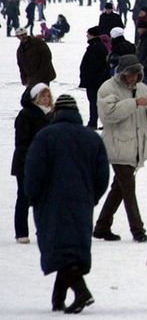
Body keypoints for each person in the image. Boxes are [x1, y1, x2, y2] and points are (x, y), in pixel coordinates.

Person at [24, 93, 109, 314]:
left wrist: (33, 196)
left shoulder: (45, 137)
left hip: (52, 202)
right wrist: (93, 197)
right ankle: (58, 300)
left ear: (57, 112)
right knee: (71, 248)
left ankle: (81, 292)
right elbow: (102, 174)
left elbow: (34, 171)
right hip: (82, 201)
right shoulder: (91, 137)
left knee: (60, 248)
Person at [93, 54, 147, 243]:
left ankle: (102, 226)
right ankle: (138, 230)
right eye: (129, 74)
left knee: (119, 188)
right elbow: (108, 115)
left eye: (136, 74)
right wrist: (134, 103)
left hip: (136, 147)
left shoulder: (143, 88)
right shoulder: (107, 88)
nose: (133, 77)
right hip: (117, 146)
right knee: (128, 188)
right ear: (121, 73)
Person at [14, 83, 53, 243]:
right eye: (42, 96)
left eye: (47, 96)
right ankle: (21, 232)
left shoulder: (52, 114)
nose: (45, 99)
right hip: (26, 162)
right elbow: (21, 142)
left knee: (45, 198)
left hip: (46, 163)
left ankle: (44, 230)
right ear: (35, 98)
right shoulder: (26, 115)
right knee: (24, 196)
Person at [78, 28, 109, 130]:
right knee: (95, 102)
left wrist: (89, 76)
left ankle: (93, 122)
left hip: (94, 80)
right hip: (94, 80)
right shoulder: (96, 46)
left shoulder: (96, 47)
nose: (86, 36)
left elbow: (95, 65)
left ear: (92, 35)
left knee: (95, 102)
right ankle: (94, 121)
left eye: (88, 34)